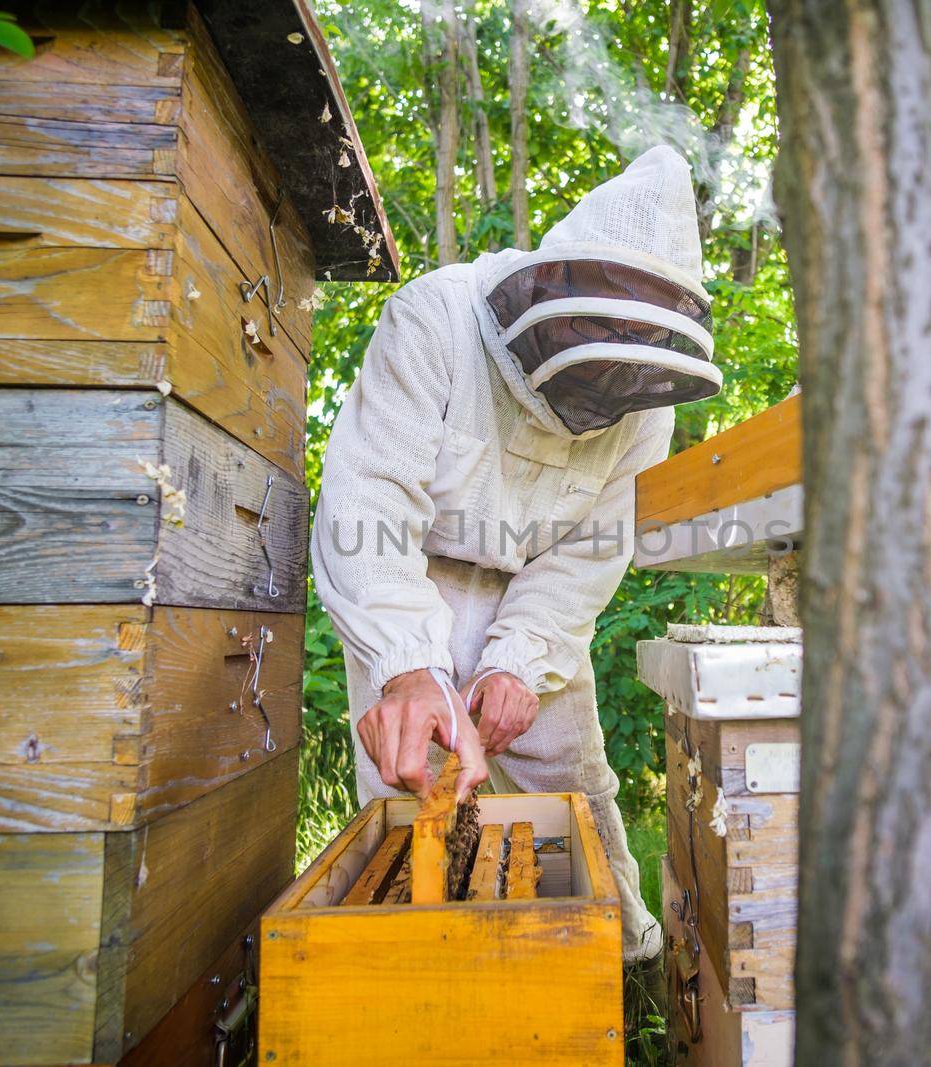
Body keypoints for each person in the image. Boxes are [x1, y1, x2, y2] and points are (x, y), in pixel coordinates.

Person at [311, 145, 720, 961]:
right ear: (558, 294)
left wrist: (517, 663)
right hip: (410, 573)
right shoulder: (435, 319)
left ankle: (620, 971)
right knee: (413, 793)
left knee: (575, 784)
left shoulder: (643, 407)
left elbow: (589, 550)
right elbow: (372, 497)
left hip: (534, 592)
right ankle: (413, 978)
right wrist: (409, 664)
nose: (598, 401)